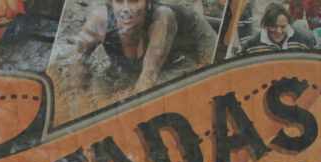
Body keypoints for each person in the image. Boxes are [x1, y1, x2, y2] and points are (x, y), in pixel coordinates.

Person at [72, 0, 215, 93]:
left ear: (148, 4)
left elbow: (149, 76)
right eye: (119, 1)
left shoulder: (162, 18)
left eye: (134, 1)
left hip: (193, 37)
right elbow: (75, 67)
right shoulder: (99, 19)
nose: (126, 10)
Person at [242, 2, 314, 53]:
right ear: (266, 25)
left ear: (289, 23)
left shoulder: (305, 40)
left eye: (283, 27)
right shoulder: (252, 47)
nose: (278, 31)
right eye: (274, 26)